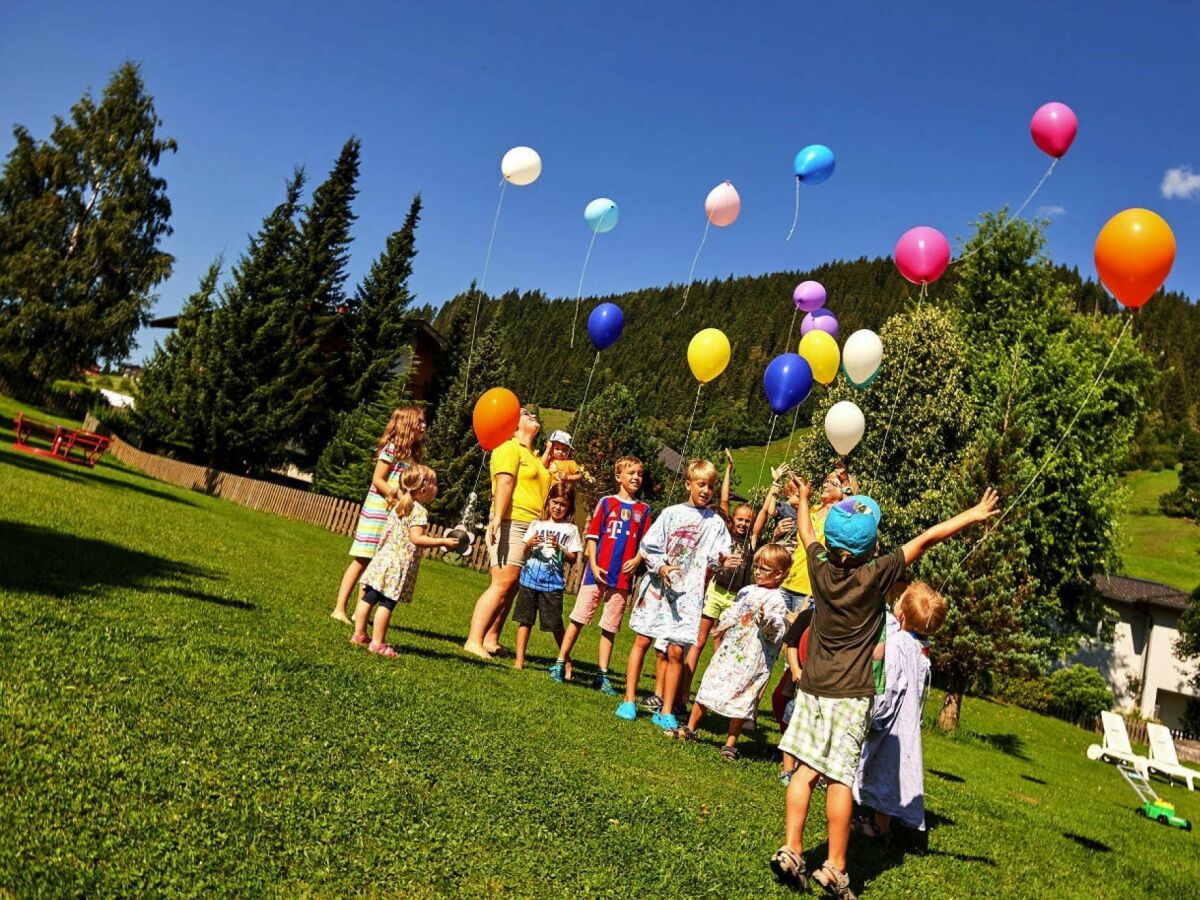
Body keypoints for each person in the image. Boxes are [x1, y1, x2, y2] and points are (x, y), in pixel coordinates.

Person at [769, 481, 999, 897]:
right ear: (872, 549)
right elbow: (927, 538)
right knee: (839, 780)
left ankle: (791, 848)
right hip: (850, 694)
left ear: (829, 541)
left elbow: (806, 532)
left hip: (814, 687)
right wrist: (973, 515)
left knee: (804, 771)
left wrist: (803, 499)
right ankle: (836, 867)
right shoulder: (877, 575)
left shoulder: (818, 566)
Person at [614, 459, 732, 733]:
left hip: (687, 594)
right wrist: (662, 566)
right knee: (643, 639)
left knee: (677, 650)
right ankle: (629, 699)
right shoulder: (671, 513)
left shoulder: (716, 523)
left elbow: (717, 555)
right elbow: (650, 547)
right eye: (700, 484)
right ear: (688, 484)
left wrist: (724, 560)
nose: (705, 490)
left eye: (710, 486)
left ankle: (666, 710)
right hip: (658, 589)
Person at [674, 543, 791, 759]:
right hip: (729, 652)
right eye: (756, 566)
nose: (757, 572)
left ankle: (730, 742)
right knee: (710, 684)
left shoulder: (777, 600)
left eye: (764, 569)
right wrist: (723, 625)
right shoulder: (747, 591)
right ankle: (691, 727)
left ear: (779, 574)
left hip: (752, 658)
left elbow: (776, 630)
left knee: (742, 695)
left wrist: (766, 621)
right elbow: (734, 611)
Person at [853, 581, 947, 839]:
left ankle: (873, 826)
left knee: (878, 766)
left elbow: (890, 685)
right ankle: (881, 824)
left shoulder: (898, 645)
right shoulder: (920, 647)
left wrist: (874, 716)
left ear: (902, 614)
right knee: (889, 772)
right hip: (906, 723)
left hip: (890, 720)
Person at [552, 456, 650, 691]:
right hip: (595, 574)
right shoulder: (607, 503)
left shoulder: (644, 510)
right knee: (579, 618)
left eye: (639, 474)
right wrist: (594, 566)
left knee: (610, 626)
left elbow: (646, 544)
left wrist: (636, 560)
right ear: (619, 477)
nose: (636, 477)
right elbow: (593, 537)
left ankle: (602, 675)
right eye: (631, 473)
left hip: (622, 579)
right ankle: (559, 662)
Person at [463, 408, 551, 660]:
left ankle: (491, 639)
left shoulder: (532, 456)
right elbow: (504, 482)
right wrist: (498, 518)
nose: (532, 415)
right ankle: (474, 640)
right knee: (501, 583)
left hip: (531, 526)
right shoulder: (508, 447)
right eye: (524, 413)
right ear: (512, 425)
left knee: (511, 586)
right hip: (511, 521)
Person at [331, 406, 425, 624]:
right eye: (419, 421)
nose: (424, 426)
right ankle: (339, 608)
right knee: (362, 559)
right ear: (406, 424)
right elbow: (378, 479)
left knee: (376, 563)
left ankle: (359, 612)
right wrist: (398, 495)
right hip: (377, 511)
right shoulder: (391, 449)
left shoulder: (412, 455)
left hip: (394, 515)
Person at [350, 465, 457, 656]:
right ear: (423, 489)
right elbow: (417, 539)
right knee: (387, 602)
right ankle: (377, 643)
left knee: (370, 596)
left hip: (383, 558)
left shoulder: (399, 504)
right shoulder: (420, 512)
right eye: (435, 483)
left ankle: (359, 635)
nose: (437, 487)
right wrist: (442, 541)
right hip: (397, 564)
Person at [513, 483, 582, 670]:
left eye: (563, 504)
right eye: (555, 502)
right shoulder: (537, 524)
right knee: (524, 620)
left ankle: (566, 660)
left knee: (554, 624)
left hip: (552, 584)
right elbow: (524, 549)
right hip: (528, 580)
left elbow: (573, 558)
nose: (558, 507)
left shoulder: (571, 529)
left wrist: (561, 548)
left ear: (569, 507)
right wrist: (529, 543)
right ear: (548, 502)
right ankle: (519, 660)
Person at [777, 465, 858, 613]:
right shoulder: (814, 509)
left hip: (810, 591)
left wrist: (845, 483)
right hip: (787, 582)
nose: (825, 485)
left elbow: (852, 509)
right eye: (826, 481)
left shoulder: (839, 518)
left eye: (833, 483)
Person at [774, 603, 815, 784]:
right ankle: (787, 769)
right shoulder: (808, 616)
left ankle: (807, 767)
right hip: (799, 680)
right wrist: (795, 669)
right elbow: (792, 643)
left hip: (822, 684)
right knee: (790, 719)